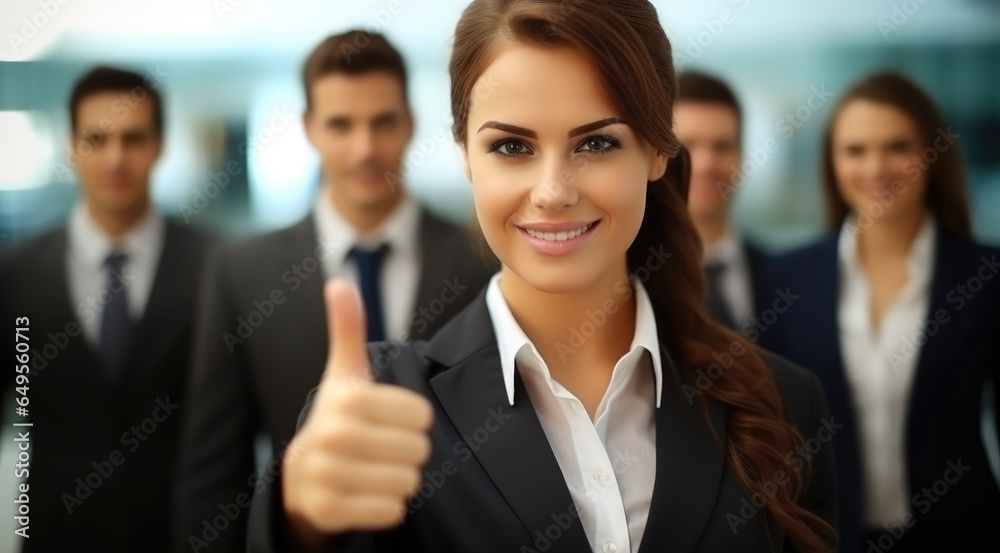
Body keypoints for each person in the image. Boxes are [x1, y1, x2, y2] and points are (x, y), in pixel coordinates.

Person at [246, 2, 838, 552]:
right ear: (464, 155)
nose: (553, 193)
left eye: (598, 143)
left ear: (658, 151)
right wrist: (301, 525)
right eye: (511, 146)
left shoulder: (783, 404)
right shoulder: (380, 406)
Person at [172, 30, 496, 552]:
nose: (364, 148)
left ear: (409, 124)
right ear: (308, 128)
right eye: (341, 124)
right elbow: (213, 473)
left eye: (382, 122)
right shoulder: (240, 273)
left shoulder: (483, 260)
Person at [760, 72, 1000, 552]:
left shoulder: (986, 276)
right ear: (832, 162)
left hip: (961, 537)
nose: (876, 167)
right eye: (855, 150)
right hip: (822, 539)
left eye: (897, 146)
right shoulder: (785, 278)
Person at [0, 66, 211, 552]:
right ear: (71, 146)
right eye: (97, 139)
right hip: (57, 535)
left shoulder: (215, 269)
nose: (116, 158)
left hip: (184, 534)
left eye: (133, 138)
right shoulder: (15, 276)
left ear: (160, 145)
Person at [674, 71, 770, 329]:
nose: (706, 164)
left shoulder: (781, 276)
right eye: (687, 146)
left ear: (742, 154)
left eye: (722, 146)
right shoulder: (626, 279)